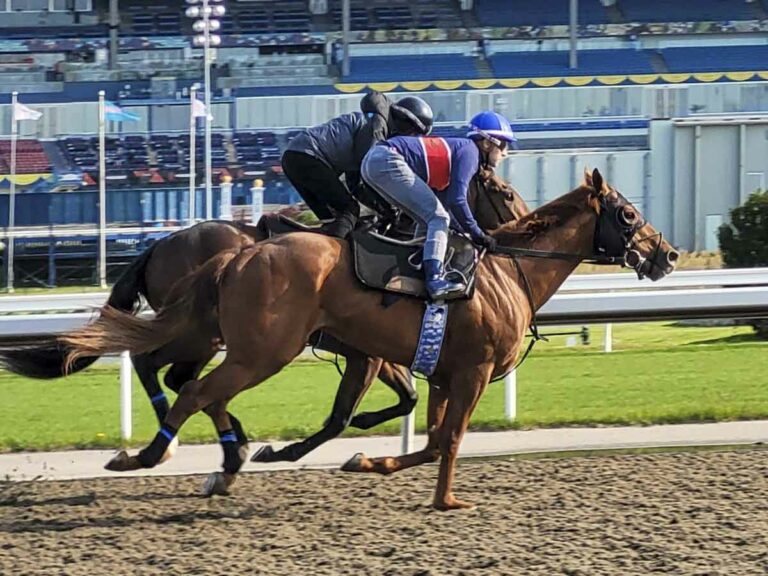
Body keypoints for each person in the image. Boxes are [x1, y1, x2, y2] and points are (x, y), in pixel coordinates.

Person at [361, 110, 518, 301]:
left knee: (430, 219)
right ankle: (434, 279)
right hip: (386, 159)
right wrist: (479, 235)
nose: (505, 152)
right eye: (503, 145)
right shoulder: (470, 152)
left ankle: (417, 272)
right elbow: (457, 200)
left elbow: (449, 210)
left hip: (374, 162)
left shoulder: (457, 154)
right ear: (486, 143)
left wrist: (466, 232)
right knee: (438, 218)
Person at [281, 92, 434, 239]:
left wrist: (383, 210)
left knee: (333, 218)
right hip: (308, 157)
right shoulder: (377, 127)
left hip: (296, 157)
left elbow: (356, 184)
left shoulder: (376, 124)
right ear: (405, 122)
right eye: (414, 134)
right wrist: (390, 210)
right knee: (350, 210)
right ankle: (334, 260)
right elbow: (371, 175)